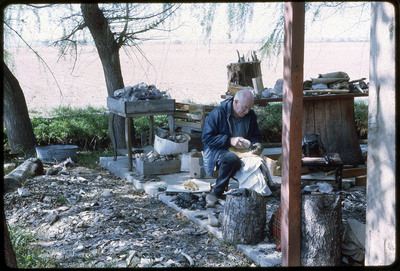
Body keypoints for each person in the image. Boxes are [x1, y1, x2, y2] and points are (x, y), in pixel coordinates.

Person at [202, 88, 262, 207]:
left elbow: (256, 136)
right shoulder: (218, 113)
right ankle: (216, 193)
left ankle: (256, 193)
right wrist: (230, 140)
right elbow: (207, 138)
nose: (247, 111)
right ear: (235, 102)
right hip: (218, 150)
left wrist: (256, 144)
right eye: (244, 107)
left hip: (242, 151)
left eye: (249, 108)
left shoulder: (251, 115)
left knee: (259, 162)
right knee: (231, 159)